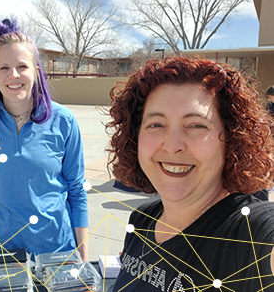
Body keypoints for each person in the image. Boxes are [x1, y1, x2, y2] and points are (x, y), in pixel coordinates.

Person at [107, 56, 274, 291]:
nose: (173, 145)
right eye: (156, 124)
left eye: (196, 125)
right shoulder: (140, 220)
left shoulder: (249, 231)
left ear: (231, 140)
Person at [0, 19, 88, 270]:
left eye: (22, 66)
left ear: (36, 70)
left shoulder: (63, 122)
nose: (14, 75)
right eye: (4, 68)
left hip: (55, 254)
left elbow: (76, 192)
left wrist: (82, 256)